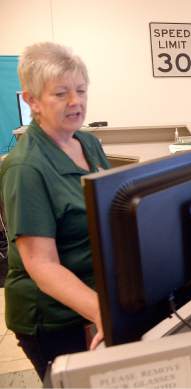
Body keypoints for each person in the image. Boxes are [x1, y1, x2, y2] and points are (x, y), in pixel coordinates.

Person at [0, 42, 110, 379]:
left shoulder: (87, 142)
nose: (75, 101)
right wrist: (101, 310)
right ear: (31, 100)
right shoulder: (26, 167)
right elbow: (42, 265)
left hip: (93, 296)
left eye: (80, 90)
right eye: (61, 93)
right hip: (51, 317)